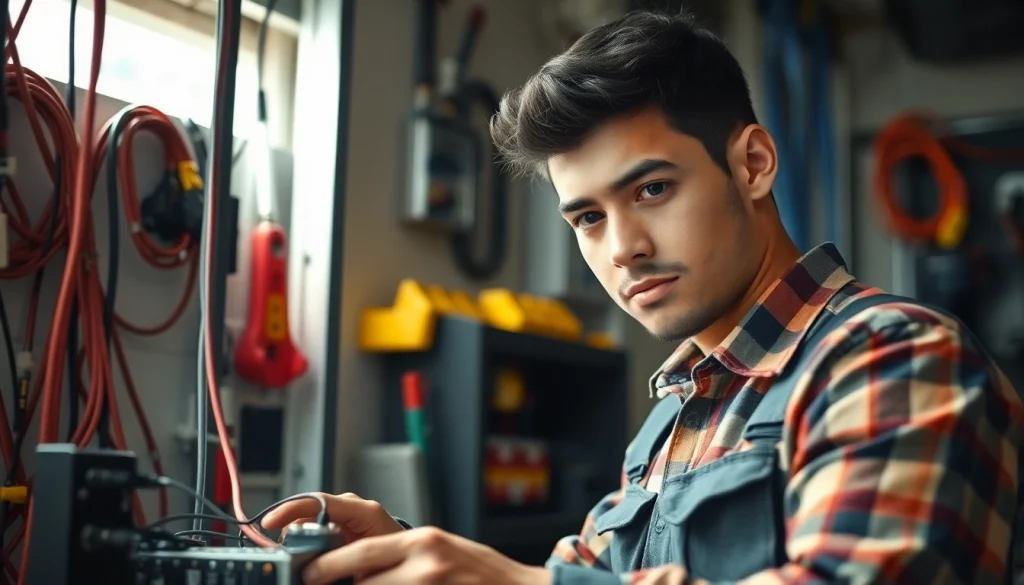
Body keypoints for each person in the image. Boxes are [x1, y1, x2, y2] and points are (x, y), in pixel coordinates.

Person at [264, 10, 1024, 585]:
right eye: (588, 218)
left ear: (754, 164)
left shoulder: (894, 357)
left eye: (652, 189)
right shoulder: (672, 419)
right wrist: (402, 556)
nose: (621, 246)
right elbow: (576, 573)